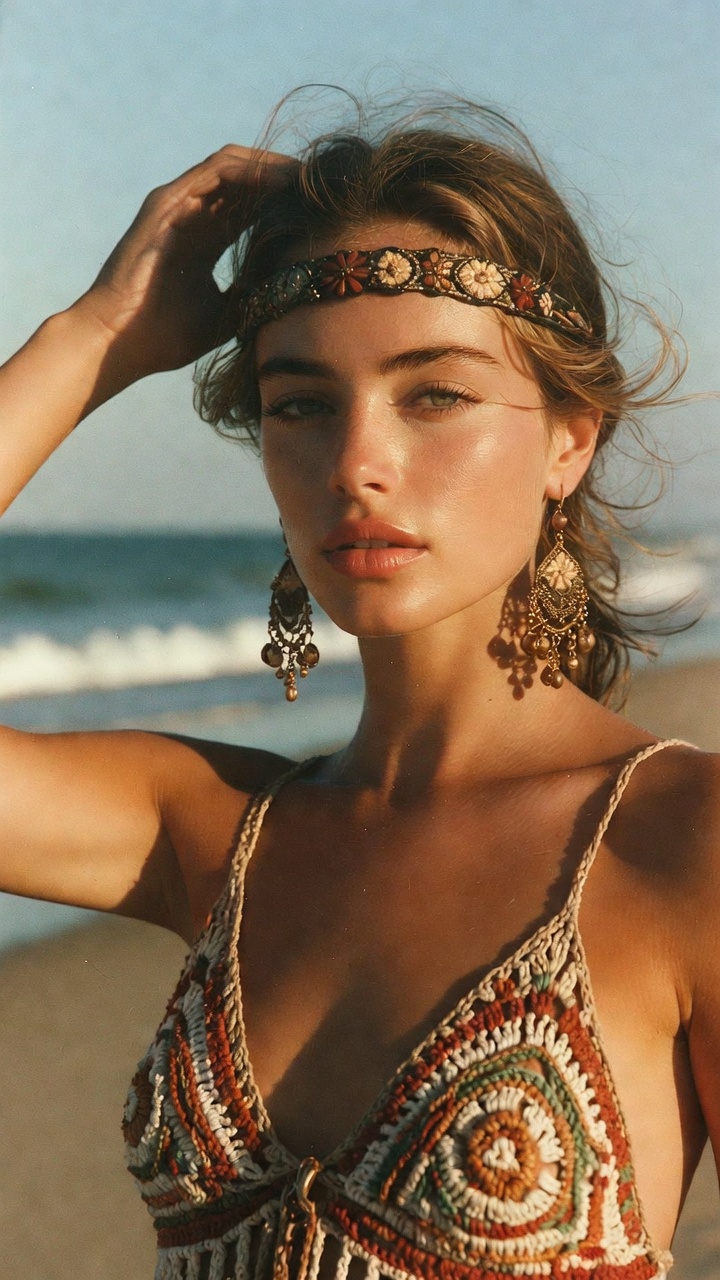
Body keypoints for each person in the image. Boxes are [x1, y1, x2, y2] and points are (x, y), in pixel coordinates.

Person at [0, 101, 718, 1280]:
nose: (355, 462)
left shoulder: (682, 843)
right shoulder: (209, 831)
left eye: (433, 393)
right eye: (301, 403)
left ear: (568, 440)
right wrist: (93, 336)